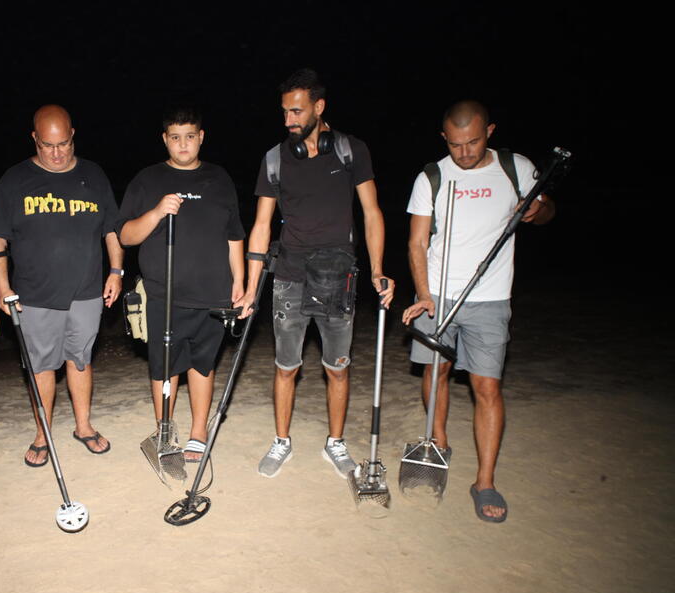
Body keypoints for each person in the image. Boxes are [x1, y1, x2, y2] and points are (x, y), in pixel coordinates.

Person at [236, 68, 395, 479]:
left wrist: (378, 270)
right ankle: (282, 441)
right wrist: (253, 285)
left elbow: (372, 212)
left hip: (337, 276)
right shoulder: (274, 159)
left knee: (336, 366)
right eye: (284, 112)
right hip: (288, 274)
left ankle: (336, 443)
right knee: (285, 365)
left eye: (296, 111)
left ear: (319, 107)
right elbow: (261, 224)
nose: (288, 120)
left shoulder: (349, 150)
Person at [402, 100, 555, 523]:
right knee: (437, 373)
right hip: (439, 294)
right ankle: (438, 441)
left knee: (487, 387)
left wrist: (538, 211)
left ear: (490, 130)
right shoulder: (432, 176)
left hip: (490, 297)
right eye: (455, 144)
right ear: (443, 139)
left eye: (472, 142)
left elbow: (547, 212)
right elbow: (417, 242)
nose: (464, 153)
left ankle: (484, 481)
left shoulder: (516, 168)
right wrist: (424, 293)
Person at [0, 105, 124, 466]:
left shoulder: (93, 175)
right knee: (42, 366)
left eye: (63, 143)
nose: (57, 153)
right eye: (48, 145)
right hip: (34, 294)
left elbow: (111, 228)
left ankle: (83, 426)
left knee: (80, 361)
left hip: (87, 291)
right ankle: (42, 434)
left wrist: (116, 271)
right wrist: (2, 288)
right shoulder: (14, 181)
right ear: (34, 139)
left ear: (73, 135)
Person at [118, 107, 245, 462]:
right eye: (175, 137)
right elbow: (125, 235)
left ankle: (198, 431)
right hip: (163, 294)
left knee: (202, 364)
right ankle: (164, 430)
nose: (183, 144)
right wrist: (158, 212)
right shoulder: (147, 180)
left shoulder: (219, 179)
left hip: (213, 293)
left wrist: (240, 281)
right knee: (163, 367)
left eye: (190, 136)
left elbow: (235, 236)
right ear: (165, 140)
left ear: (201, 137)